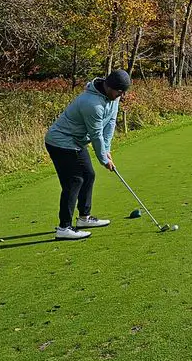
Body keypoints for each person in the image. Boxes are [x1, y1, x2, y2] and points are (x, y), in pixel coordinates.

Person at [44, 69, 131, 240]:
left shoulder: (115, 97)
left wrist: (107, 150)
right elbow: (95, 134)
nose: (122, 95)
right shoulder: (92, 104)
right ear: (109, 86)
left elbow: (111, 123)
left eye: (124, 91)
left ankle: (84, 218)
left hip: (76, 141)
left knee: (88, 175)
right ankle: (64, 227)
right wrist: (103, 159)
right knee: (75, 180)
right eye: (119, 91)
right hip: (60, 141)